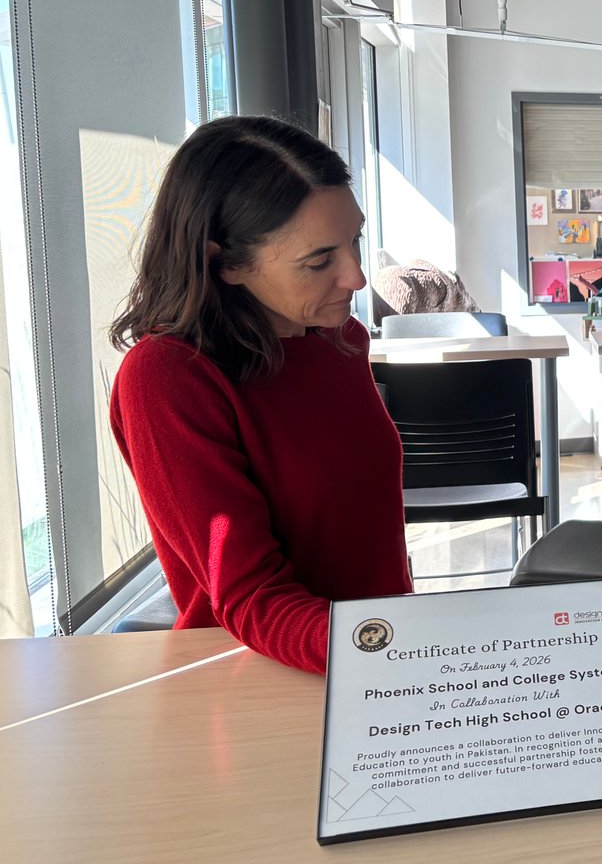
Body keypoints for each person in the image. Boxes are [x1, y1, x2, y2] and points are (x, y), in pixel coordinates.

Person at [109, 116, 411, 675]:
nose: (356, 277)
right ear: (226, 264)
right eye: (318, 261)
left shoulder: (339, 338)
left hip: (369, 657)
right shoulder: (166, 378)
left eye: (355, 240)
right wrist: (402, 652)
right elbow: (252, 598)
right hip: (263, 675)